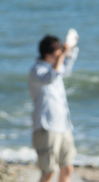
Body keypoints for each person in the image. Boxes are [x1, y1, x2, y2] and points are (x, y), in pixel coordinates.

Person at [29, 30, 79, 182]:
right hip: (46, 127)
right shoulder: (37, 70)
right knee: (49, 172)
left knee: (67, 167)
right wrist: (62, 55)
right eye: (58, 51)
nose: (61, 54)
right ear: (48, 55)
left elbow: (66, 67)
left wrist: (70, 46)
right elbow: (51, 76)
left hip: (63, 126)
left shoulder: (54, 67)